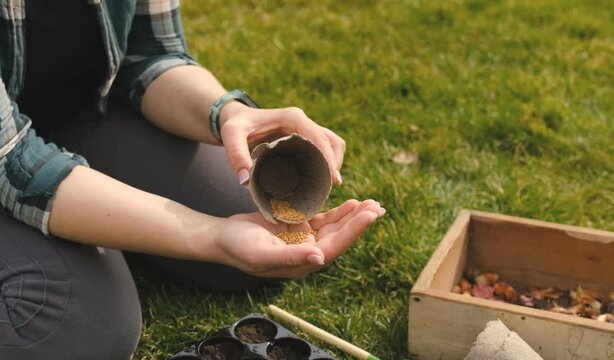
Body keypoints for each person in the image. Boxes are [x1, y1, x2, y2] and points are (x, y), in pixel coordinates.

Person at [0, 1, 385, 359]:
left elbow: (151, 55)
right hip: (8, 153)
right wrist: (211, 236)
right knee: (78, 325)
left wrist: (228, 114)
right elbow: (17, 163)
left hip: (76, 115)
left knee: (244, 211)